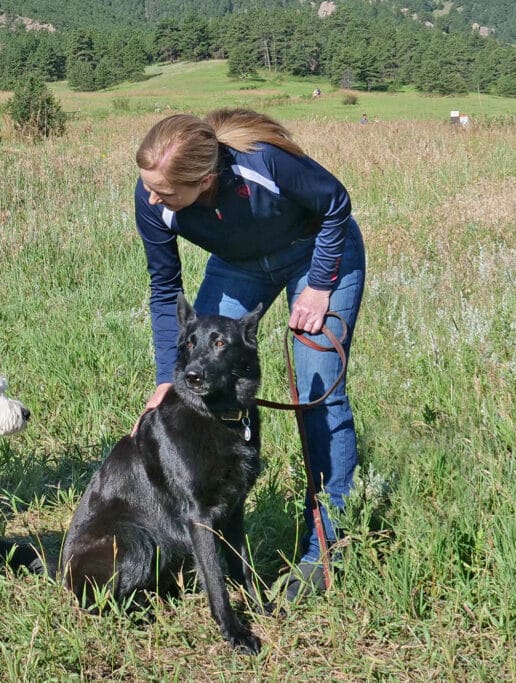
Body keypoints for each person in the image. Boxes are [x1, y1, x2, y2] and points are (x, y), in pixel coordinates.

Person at [133, 109, 365, 600]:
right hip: (239, 267)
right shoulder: (152, 198)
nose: (152, 199)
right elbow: (164, 289)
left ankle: (327, 550)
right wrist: (163, 378)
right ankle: (209, 546)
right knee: (200, 383)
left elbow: (335, 203)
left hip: (318, 251)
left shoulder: (266, 165)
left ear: (203, 179)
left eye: (165, 192)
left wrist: (319, 287)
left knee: (317, 392)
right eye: (148, 186)